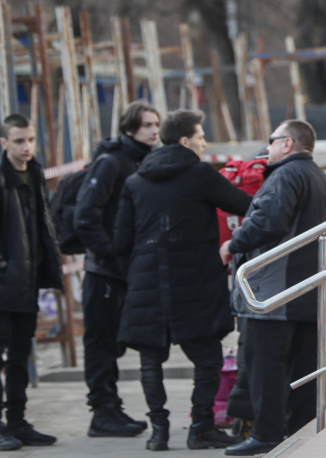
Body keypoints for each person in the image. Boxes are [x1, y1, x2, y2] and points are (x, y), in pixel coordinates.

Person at [115, 110, 253, 451]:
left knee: (150, 362)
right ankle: (201, 429)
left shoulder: (135, 180)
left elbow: (120, 241)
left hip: (146, 282)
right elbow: (243, 204)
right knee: (207, 359)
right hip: (195, 282)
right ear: (185, 141)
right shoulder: (200, 174)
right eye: (202, 137)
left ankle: (159, 432)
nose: (205, 143)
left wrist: (134, 275)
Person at [220, 120, 326, 457]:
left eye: (271, 141)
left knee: (265, 368)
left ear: (287, 143)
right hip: (308, 293)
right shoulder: (321, 179)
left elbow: (267, 221)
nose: (268, 148)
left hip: (274, 294)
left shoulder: (285, 175)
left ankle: (266, 434)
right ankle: (301, 436)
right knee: (302, 373)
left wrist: (233, 243)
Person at [74, 100, 158, 437]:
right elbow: (86, 216)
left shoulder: (144, 161)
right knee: (101, 344)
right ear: (129, 129)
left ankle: (111, 408)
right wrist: (110, 255)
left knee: (115, 344)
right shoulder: (112, 162)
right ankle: (102, 412)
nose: (154, 130)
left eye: (156, 124)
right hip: (105, 272)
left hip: (127, 273)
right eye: (146, 125)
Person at [0, 114, 63, 449]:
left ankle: (17, 421)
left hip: (27, 280)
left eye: (30, 140)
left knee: (21, 354)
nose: (26, 147)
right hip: (6, 282)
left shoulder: (35, 171)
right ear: (4, 143)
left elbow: (41, 224)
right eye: (19, 141)